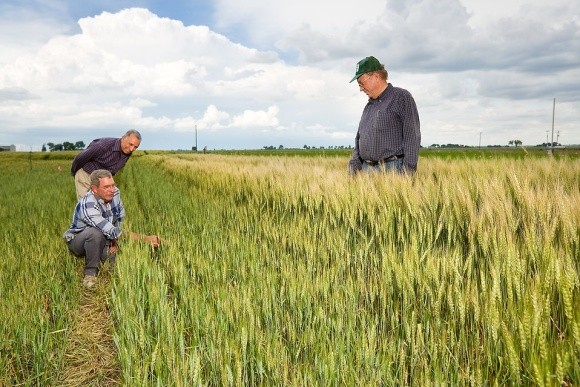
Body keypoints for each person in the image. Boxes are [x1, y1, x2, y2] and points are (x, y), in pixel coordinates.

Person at [63, 169, 160, 288]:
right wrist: (144, 238)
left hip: (104, 238)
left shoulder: (115, 193)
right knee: (95, 233)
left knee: (113, 266)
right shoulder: (88, 203)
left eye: (113, 185)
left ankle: (103, 255)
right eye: (106, 187)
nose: (111, 190)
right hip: (79, 241)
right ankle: (90, 274)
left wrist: (114, 241)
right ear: (94, 189)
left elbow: (119, 218)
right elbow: (107, 228)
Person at [348, 56, 421, 175]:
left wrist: (407, 175)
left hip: (392, 171)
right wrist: (353, 171)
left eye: (361, 83)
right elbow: (358, 140)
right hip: (367, 172)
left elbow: (412, 137)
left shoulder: (401, 97)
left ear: (376, 76)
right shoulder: (369, 106)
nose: (361, 89)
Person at [71, 129, 142, 200]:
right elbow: (80, 158)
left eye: (135, 147)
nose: (132, 149)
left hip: (102, 181)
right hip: (86, 175)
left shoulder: (127, 152)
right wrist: (74, 173)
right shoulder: (103, 145)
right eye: (131, 144)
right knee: (86, 205)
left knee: (101, 206)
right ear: (123, 138)